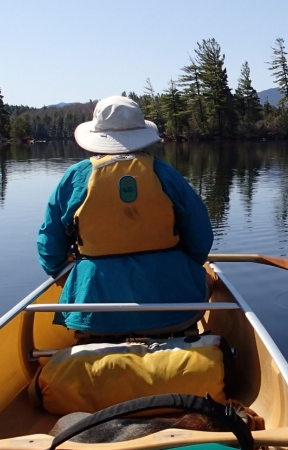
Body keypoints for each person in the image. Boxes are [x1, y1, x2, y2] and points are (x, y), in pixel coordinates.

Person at [37, 95, 214, 335]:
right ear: (142, 135)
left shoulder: (76, 177)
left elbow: (49, 250)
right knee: (206, 280)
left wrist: (67, 275)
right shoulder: (166, 174)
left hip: (96, 313)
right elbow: (200, 239)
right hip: (174, 307)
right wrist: (180, 266)